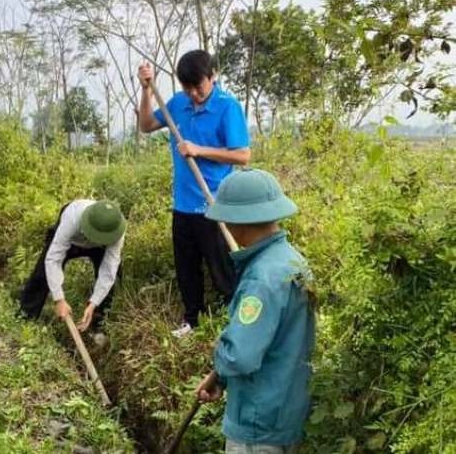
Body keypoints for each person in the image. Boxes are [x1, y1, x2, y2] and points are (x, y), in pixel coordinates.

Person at [195, 168, 316, 452]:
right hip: (287, 410)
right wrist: (220, 378)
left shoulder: (261, 279)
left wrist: (221, 352)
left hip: (257, 423)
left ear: (239, 222)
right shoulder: (293, 261)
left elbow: (240, 356)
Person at [137, 50, 251, 338]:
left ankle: (234, 322)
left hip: (214, 203)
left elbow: (243, 155)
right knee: (186, 269)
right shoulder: (178, 103)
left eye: (199, 87)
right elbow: (147, 124)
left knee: (221, 269)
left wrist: (198, 150)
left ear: (212, 77)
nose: (194, 95)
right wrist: (146, 90)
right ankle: (192, 320)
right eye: (188, 89)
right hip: (183, 205)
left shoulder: (227, 107)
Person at [18, 200, 126, 340]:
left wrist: (93, 303)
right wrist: (59, 299)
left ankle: (97, 325)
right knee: (42, 273)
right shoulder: (72, 218)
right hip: (72, 239)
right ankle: (26, 317)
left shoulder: (116, 230)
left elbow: (109, 270)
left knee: (114, 279)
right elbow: (53, 259)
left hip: (101, 245)